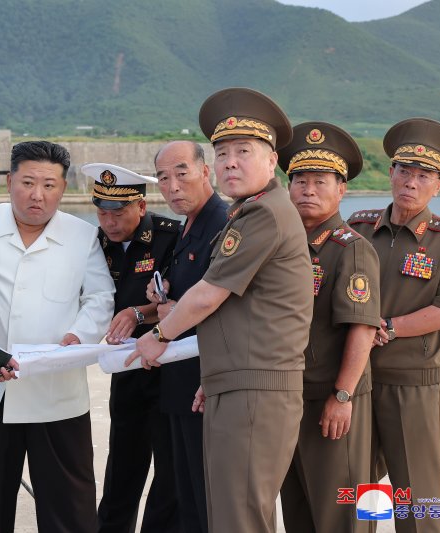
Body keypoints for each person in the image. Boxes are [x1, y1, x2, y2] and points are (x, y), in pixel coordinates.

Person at [130, 87, 313, 532]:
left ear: (272, 162)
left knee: (239, 519)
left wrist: (157, 337)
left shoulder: (264, 215)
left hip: (257, 391)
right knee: (231, 513)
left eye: (244, 151)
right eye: (223, 151)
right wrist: (216, 377)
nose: (230, 161)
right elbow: (240, 314)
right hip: (238, 384)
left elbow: (207, 295)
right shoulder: (246, 213)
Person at [0, 141, 115, 533]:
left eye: (49, 185)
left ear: (64, 188)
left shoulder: (82, 235)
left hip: (57, 393)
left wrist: (78, 337)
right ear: (10, 181)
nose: (37, 195)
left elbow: (100, 297)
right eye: (27, 182)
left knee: (70, 508)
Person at [348, 118, 440, 533]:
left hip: (413, 384)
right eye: (405, 171)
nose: (411, 183)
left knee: (417, 495)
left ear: (439, 186)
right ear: (391, 173)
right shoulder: (359, 227)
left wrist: (390, 326)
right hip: (358, 377)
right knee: (362, 489)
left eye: (424, 176)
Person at [278, 122, 381, 533]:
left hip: (331, 401)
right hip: (288, 399)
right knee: (298, 511)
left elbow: (362, 329)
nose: (307, 189)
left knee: (345, 514)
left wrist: (343, 395)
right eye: (299, 180)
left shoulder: (351, 249)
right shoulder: (283, 246)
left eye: (320, 181)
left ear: (342, 190)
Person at [83, 162, 181, 533]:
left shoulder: (170, 236)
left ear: (140, 207)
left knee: (169, 472)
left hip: (169, 366)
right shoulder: (93, 242)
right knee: (122, 465)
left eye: (119, 212)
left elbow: (187, 299)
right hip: (125, 368)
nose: (109, 221)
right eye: (102, 212)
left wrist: (141, 314)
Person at [144, 140, 229, 533]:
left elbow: (219, 305)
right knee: (186, 493)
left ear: (205, 171)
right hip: (178, 382)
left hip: (205, 382)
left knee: (208, 497)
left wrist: (168, 316)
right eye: (164, 177)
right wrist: (161, 300)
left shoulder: (222, 225)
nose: (173, 185)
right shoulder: (187, 227)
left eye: (182, 173)